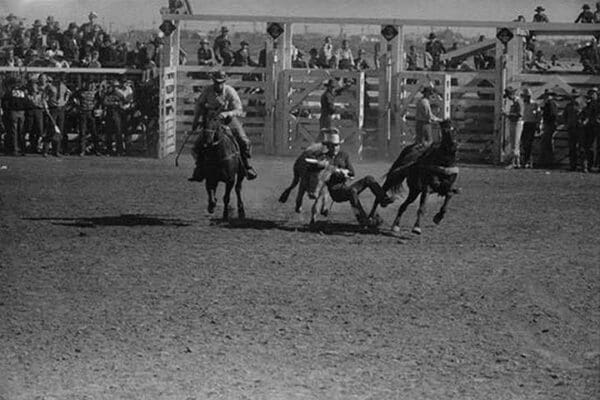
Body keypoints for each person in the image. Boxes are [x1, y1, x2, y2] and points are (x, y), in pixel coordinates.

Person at [189, 71, 257, 182]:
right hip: (212, 119)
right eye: (216, 82)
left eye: (220, 82)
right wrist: (195, 121)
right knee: (198, 145)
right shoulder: (207, 90)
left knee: (243, 140)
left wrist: (226, 113)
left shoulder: (230, 91)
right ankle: (199, 167)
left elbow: (238, 109)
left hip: (228, 119)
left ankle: (246, 166)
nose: (218, 85)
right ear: (213, 81)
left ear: (224, 82)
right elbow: (199, 105)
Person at [318, 129, 393, 225]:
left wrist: (345, 173)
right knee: (352, 191)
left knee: (369, 179)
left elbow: (352, 173)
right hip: (335, 191)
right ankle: (362, 219)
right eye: (332, 145)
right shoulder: (324, 158)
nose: (335, 148)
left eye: (337, 145)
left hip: (345, 187)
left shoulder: (343, 155)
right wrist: (329, 170)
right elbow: (320, 175)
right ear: (328, 146)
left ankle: (383, 199)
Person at [44, 74, 71, 156]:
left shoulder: (64, 87)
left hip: (61, 109)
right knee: (51, 129)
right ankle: (45, 150)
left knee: (59, 130)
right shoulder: (50, 86)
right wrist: (46, 107)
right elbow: (44, 97)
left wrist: (66, 100)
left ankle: (56, 151)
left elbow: (66, 96)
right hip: (53, 109)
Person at [1, 76, 28, 156]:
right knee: (15, 131)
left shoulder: (15, 91)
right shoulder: (13, 91)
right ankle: (16, 148)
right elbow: (5, 101)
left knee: (19, 131)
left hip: (20, 111)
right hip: (15, 111)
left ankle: (19, 148)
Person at [75, 80, 100, 155]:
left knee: (94, 131)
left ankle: (96, 149)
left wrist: (96, 108)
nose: (89, 86)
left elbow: (98, 101)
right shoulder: (80, 92)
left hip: (92, 113)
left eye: (91, 84)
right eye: (88, 84)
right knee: (82, 132)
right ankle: (82, 150)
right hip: (83, 112)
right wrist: (77, 105)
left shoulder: (95, 92)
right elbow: (74, 98)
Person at [562, 89, 584, 171]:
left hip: (580, 128)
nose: (574, 98)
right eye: (573, 96)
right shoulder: (568, 105)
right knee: (572, 147)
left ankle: (583, 165)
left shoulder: (582, 105)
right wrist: (566, 124)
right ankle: (573, 165)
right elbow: (564, 115)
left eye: (576, 96)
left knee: (581, 147)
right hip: (571, 128)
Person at [502, 87, 523, 169]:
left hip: (517, 123)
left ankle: (513, 162)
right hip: (513, 122)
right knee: (514, 142)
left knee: (514, 142)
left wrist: (507, 114)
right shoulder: (515, 102)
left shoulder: (518, 102)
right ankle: (517, 162)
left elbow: (520, 115)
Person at [103, 79, 125, 155]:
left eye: (116, 86)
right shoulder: (108, 94)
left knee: (118, 132)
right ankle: (109, 150)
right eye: (113, 86)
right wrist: (114, 103)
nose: (115, 88)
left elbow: (122, 103)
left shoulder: (119, 94)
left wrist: (116, 104)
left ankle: (120, 150)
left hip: (117, 114)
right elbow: (105, 102)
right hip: (109, 114)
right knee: (108, 132)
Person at [520, 88, 540, 169]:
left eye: (527, 96)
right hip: (524, 123)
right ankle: (526, 160)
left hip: (531, 124)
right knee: (524, 142)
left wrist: (538, 125)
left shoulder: (535, 104)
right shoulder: (522, 104)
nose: (526, 97)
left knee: (529, 143)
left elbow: (538, 115)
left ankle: (527, 160)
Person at [539, 89, 559, 167]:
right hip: (550, 124)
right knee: (547, 142)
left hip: (549, 125)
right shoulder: (550, 103)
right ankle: (548, 161)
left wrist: (547, 122)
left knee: (547, 142)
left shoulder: (550, 103)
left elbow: (553, 115)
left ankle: (549, 161)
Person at [582, 88, 599, 172]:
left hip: (597, 127)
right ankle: (588, 166)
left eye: (593, 93)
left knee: (596, 147)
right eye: (590, 94)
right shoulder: (587, 105)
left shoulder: (598, 104)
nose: (592, 95)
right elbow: (585, 114)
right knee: (588, 147)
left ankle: (595, 166)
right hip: (589, 128)